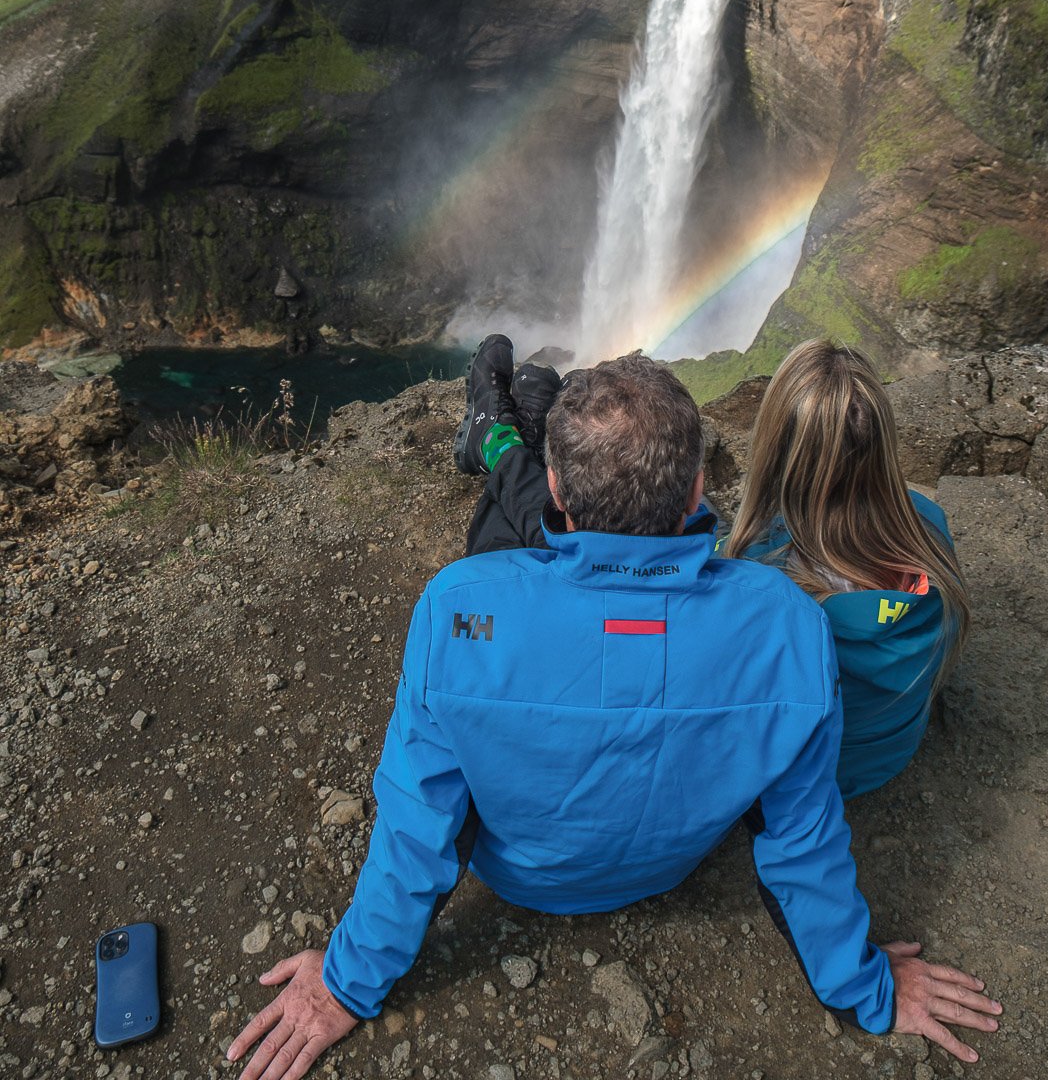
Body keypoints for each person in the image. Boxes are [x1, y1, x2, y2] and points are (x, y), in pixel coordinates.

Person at [227, 341, 1001, 1080]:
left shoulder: (457, 610)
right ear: (698, 488)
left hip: (523, 878)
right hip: (667, 868)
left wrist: (343, 984)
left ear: (558, 491)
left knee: (499, 553)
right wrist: (862, 989)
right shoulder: (785, 624)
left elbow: (419, 828)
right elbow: (803, 840)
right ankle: (507, 436)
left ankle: (501, 442)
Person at [719, 339, 970, 798]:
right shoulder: (930, 527)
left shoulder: (756, 578)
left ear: (775, 453)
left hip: (810, 777)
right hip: (890, 751)